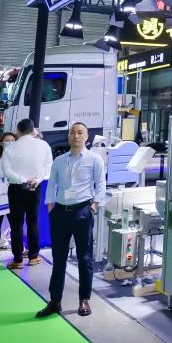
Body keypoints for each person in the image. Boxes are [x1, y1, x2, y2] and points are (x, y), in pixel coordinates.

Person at [36, 123, 106, 319]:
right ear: (68, 136)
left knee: (84, 258)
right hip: (60, 212)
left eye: (80, 132)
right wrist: (50, 206)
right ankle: (54, 300)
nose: (76, 136)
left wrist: (94, 205)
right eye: (72, 132)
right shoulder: (59, 160)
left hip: (83, 211)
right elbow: (52, 184)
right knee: (59, 258)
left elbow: (101, 183)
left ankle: (84, 299)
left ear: (86, 137)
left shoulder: (95, 159)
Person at [1, 119, 53, 269]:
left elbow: (7, 172)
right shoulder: (44, 145)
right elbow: (48, 165)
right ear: (33, 130)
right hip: (35, 188)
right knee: (33, 222)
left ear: (17, 131)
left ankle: (17, 260)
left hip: (16, 189)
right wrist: (37, 179)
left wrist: (24, 180)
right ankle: (33, 257)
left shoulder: (10, 148)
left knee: (16, 224)